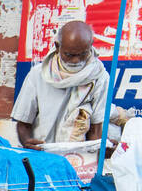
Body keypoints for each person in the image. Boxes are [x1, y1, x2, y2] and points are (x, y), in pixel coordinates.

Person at [12, 20, 109, 150]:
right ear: (57, 47)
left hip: (78, 156)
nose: (76, 61)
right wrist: (28, 142)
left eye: (83, 54)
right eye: (70, 55)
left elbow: (96, 128)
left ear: (90, 47)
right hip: (42, 153)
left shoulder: (100, 76)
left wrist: (96, 152)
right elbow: (23, 123)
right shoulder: (38, 74)